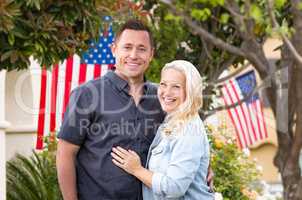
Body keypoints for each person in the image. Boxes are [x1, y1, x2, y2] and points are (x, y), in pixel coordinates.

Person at [56, 19, 165, 200]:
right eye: (127, 47)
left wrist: (204, 166)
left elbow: (182, 136)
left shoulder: (161, 98)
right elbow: (65, 153)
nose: (134, 55)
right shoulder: (87, 95)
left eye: (142, 49)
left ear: (151, 54)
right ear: (114, 49)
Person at [111, 60, 214, 200]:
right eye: (163, 84)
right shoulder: (173, 120)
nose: (167, 92)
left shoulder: (189, 129)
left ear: (190, 91)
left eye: (176, 87)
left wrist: (137, 169)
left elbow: (174, 188)